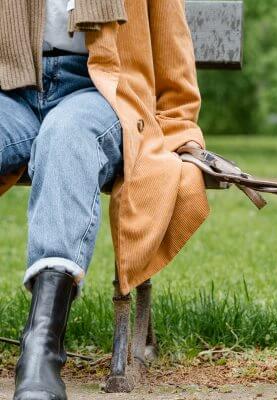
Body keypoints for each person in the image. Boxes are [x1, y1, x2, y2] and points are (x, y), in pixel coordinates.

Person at [0, 1, 210, 399]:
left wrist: (181, 129)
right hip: (13, 89)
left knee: (66, 137)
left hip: (102, 90)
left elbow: (171, 46)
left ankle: (41, 352)